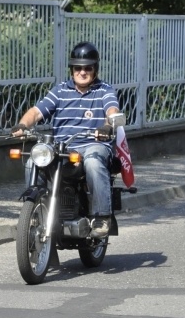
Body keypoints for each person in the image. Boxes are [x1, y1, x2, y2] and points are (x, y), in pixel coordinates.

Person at [11, 41, 120, 238]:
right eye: (78, 68)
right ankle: (35, 211)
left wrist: (107, 126)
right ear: (72, 69)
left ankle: (102, 216)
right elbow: (36, 112)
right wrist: (22, 125)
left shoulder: (105, 90)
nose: (82, 72)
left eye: (88, 68)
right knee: (32, 162)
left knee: (94, 162)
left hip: (92, 144)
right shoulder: (60, 90)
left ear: (95, 69)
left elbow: (112, 110)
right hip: (63, 146)